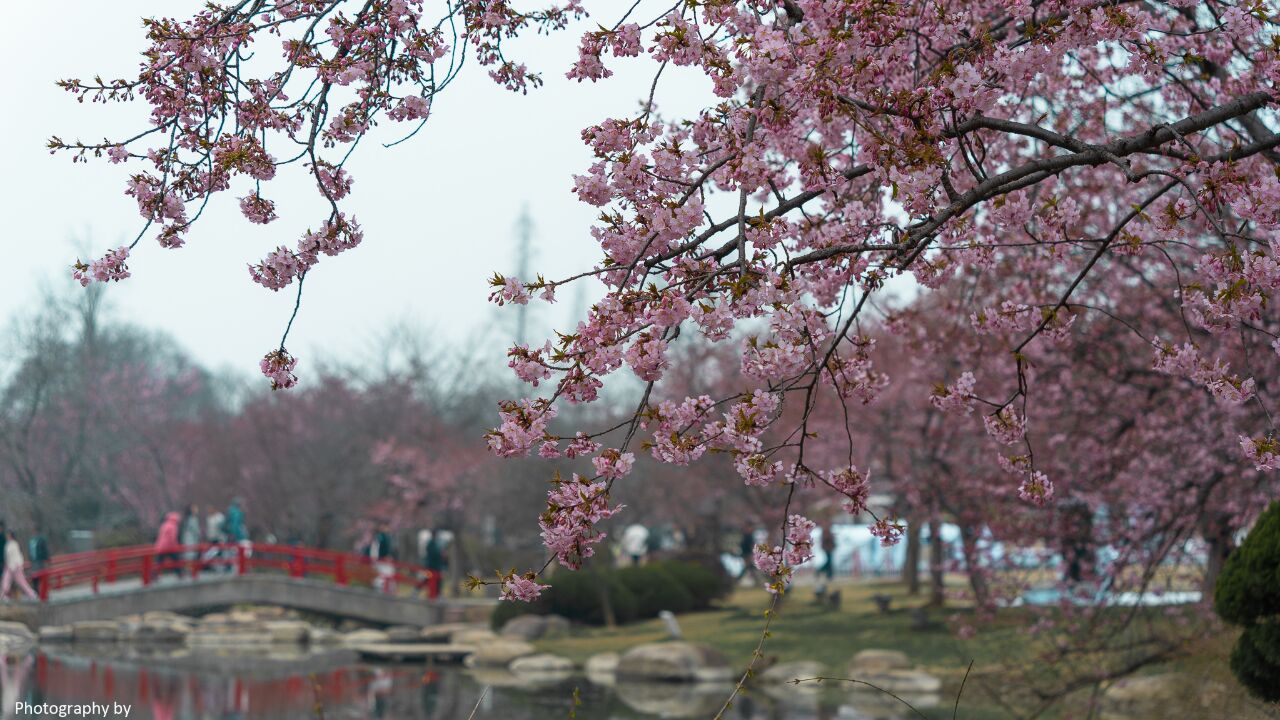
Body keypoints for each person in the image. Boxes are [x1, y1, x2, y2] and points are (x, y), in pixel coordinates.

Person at [2, 530, 38, 600]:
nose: (7, 536)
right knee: (5, 581)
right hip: (9, 566)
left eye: (8, 535)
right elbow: (7, 557)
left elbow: (17, 556)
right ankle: (4, 596)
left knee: (21, 582)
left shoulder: (14, 544)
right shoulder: (8, 545)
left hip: (16, 567)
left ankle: (32, 595)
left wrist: (18, 565)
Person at [369, 523, 396, 594]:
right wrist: (376, 558)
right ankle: (382, 589)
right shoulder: (380, 537)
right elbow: (375, 549)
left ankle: (386, 590)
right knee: (383, 575)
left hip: (384, 560)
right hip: (381, 560)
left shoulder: (386, 536)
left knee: (387, 575)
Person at [154, 511, 182, 578]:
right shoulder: (173, 526)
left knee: (159, 562)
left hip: (161, 546)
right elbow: (173, 538)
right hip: (169, 547)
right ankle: (179, 574)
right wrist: (176, 546)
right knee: (176, 560)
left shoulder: (164, 524)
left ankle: (154, 575)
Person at [420, 530, 446, 599]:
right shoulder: (431, 544)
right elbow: (433, 554)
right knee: (428, 579)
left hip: (436, 567)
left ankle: (437, 595)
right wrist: (440, 554)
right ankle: (436, 595)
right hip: (432, 566)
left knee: (436, 580)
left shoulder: (435, 543)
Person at [203, 506, 227, 570]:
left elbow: (222, 528)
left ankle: (224, 566)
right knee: (211, 553)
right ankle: (212, 567)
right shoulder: (209, 518)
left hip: (218, 538)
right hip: (211, 538)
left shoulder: (219, 517)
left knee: (219, 552)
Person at [180, 504, 202, 571]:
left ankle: (189, 569)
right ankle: (191, 570)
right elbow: (196, 530)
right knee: (190, 554)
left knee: (188, 555)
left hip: (187, 539)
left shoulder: (187, 519)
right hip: (191, 539)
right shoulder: (192, 519)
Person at [27, 530, 49, 595]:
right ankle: (36, 592)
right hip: (33, 561)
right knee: (34, 577)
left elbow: (45, 550)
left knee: (41, 577)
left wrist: (46, 559)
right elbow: (30, 551)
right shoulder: (31, 541)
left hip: (40, 561)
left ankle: (42, 593)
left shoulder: (41, 540)